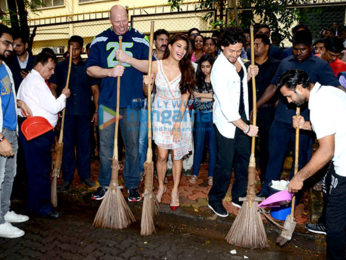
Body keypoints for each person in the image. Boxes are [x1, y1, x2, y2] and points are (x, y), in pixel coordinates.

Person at [257, 29, 341, 198]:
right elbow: (274, 86)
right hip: (281, 118)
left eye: (302, 49)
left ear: (311, 48)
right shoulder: (285, 62)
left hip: (307, 122)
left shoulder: (320, 65)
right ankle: (268, 190)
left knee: (300, 158)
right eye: (295, 49)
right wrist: (256, 106)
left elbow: (333, 88)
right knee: (274, 155)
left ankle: (294, 193)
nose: (298, 53)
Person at [117, 33, 195, 210]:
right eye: (178, 46)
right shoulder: (155, 66)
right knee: (161, 155)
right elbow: (145, 89)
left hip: (178, 116)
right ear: (169, 46)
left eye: (185, 48)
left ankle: (174, 190)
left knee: (177, 155)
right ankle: (161, 186)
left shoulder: (187, 69)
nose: (181, 51)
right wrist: (146, 83)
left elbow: (185, 98)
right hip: (160, 113)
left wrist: (177, 124)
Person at [277, 69, 346, 260]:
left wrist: (299, 177)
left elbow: (326, 151)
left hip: (344, 167)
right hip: (341, 160)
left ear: (299, 87)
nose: (289, 101)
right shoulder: (331, 92)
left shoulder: (320, 105)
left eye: (289, 96)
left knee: (335, 224)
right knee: (329, 189)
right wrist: (306, 125)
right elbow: (333, 125)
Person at [86, 5, 149, 202]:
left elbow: (150, 66)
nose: (122, 25)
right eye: (117, 21)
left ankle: (131, 185)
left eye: (124, 20)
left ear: (128, 18)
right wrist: (110, 72)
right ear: (110, 20)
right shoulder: (100, 40)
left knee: (132, 147)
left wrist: (129, 59)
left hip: (132, 103)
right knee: (104, 146)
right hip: (107, 104)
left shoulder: (140, 39)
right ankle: (105, 183)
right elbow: (90, 70)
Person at [207, 27, 258, 218]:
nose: (235, 55)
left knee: (243, 160)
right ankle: (215, 199)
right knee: (225, 163)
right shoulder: (219, 69)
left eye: (238, 51)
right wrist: (247, 129)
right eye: (231, 51)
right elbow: (227, 109)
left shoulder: (238, 62)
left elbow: (238, 85)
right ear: (222, 47)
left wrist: (250, 74)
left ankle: (239, 195)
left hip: (242, 115)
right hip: (228, 123)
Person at [17, 50, 70, 219]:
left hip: (36, 132)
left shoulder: (33, 80)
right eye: (50, 68)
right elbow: (54, 107)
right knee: (40, 170)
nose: (53, 72)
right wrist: (64, 95)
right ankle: (43, 207)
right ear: (40, 65)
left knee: (35, 170)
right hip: (37, 133)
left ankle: (35, 204)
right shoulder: (35, 82)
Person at [50, 35, 98, 191]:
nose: (73, 51)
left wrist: (96, 110)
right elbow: (52, 87)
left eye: (76, 48)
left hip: (84, 112)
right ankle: (67, 178)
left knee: (85, 146)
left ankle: (85, 176)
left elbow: (95, 90)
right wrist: (57, 106)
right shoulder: (61, 67)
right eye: (70, 48)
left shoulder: (88, 68)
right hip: (67, 113)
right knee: (67, 146)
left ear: (82, 49)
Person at [0, 24, 30, 239]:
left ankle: (4, 210)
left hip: (11, 129)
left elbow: (6, 95)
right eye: (5, 43)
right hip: (1, 133)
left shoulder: (4, 66)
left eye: (11, 43)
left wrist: (18, 102)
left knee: (10, 175)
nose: (10, 47)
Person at [248, 34, 279, 181]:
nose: (254, 47)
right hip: (249, 111)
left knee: (267, 145)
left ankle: (266, 176)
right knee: (248, 143)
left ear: (267, 47)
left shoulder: (276, 65)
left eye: (258, 44)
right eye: (253, 44)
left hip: (267, 111)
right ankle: (249, 174)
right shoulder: (248, 65)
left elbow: (278, 86)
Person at [138, 29, 168, 178]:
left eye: (166, 40)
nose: (164, 43)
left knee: (161, 140)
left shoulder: (171, 60)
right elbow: (145, 91)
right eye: (160, 40)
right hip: (147, 104)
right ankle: (142, 169)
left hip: (165, 108)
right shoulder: (147, 60)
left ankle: (159, 169)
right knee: (143, 139)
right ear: (154, 42)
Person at [189, 54, 216, 186]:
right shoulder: (197, 80)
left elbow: (216, 97)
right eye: (203, 66)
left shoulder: (217, 80)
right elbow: (195, 99)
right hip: (200, 115)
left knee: (212, 147)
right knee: (198, 145)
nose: (205, 69)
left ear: (212, 67)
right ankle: (195, 173)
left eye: (208, 66)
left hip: (213, 117)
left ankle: (211, 175)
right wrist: (209, 97)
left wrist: (201, 96)